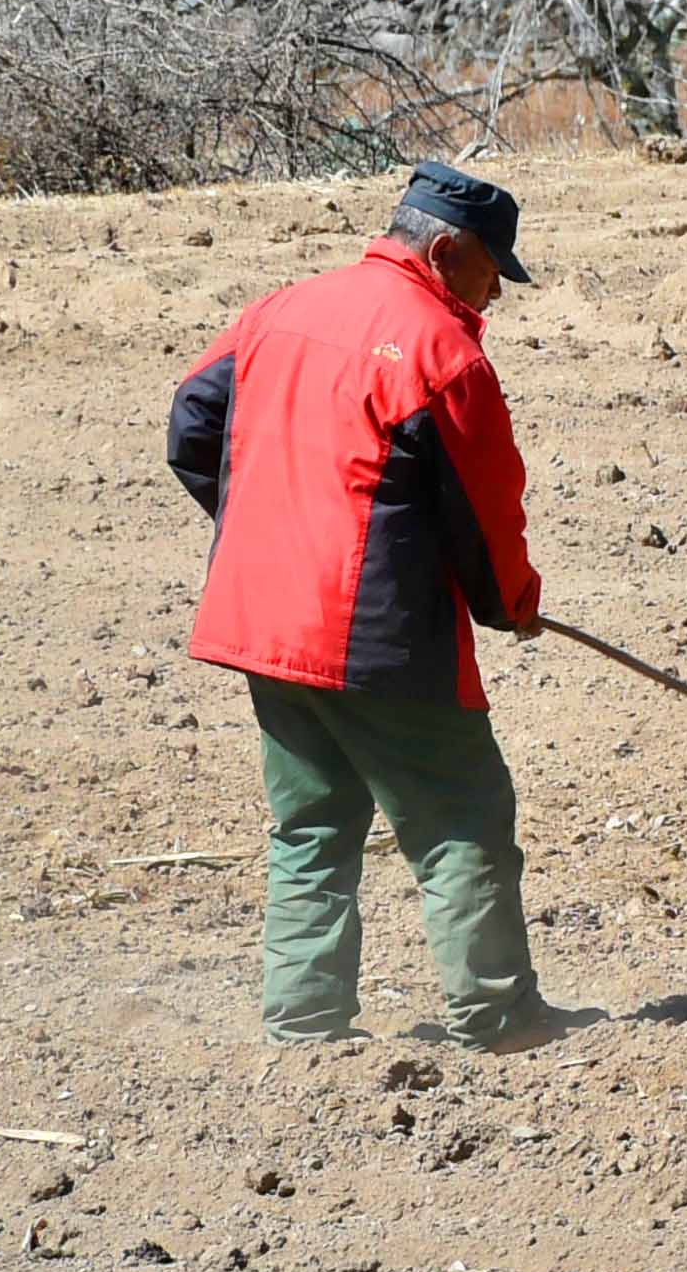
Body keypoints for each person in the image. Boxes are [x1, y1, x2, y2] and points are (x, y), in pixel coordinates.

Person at [167, 161, 578, 1052]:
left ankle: (305, 1022)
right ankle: (500, 1014)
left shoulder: (276, 311)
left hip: (263, 620)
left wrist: (265, 529)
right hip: (373, 636)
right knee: (460, 814)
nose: (494, 296)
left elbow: (192, 425)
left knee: (310, 824)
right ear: (445, 250)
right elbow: (484, 505)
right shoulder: (441, 351)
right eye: (489, 272)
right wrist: (511, 605)